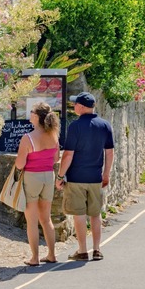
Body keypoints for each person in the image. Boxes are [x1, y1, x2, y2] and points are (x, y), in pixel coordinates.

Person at [56, 93, 114, 261]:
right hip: (96, 178)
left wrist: (60, 175)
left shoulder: (75, 126)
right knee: (95, 214)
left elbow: (68, 154)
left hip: (76, 178)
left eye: (75, 104)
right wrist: (106, 174)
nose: (74, 107)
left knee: (79, 214)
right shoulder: (105, 125)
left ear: (81, 106)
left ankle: (82, 251)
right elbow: (109, 153)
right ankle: (97, 250)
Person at [14, 102, 59, 266]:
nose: (30, 113)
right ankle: (52, 254)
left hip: (32, 177)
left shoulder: (28, 138)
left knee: (31, 220)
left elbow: (19, 164)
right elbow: (56, 159)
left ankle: (35, 258)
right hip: (49, 176)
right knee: (46, 218)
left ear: (36, 116)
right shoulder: (54, 136)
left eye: (32, 111)